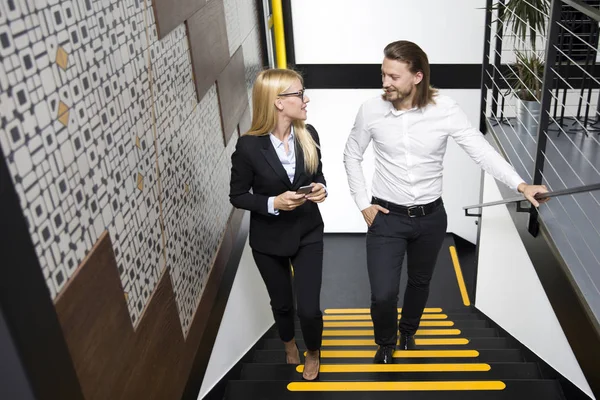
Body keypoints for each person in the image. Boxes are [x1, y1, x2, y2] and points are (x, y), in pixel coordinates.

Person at [343, 40, 548, 364]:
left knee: (420, 282)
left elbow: (480, 151)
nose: (385, 83)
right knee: (383, 294)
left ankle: (408, 330)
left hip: (431, 218)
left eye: (393, 76)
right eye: (383, 74)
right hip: (386, 217)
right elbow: (352, 154)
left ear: (418, 76)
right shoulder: (371, 109)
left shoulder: (445, 109)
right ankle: (386, 341)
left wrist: (520, 184)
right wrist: (361, 202)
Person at [229, 69, 327, 379]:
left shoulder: (309, 134)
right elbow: (238, 195)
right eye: (300, 94)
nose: (306, 98)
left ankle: (313, 351)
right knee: (283, 304)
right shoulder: (248, 147)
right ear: (278, 102)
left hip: (308, 232)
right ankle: (289, 345)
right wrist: (274, 202)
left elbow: (317, 174)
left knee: (309, 308)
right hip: (269, 241)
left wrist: (321, 188)